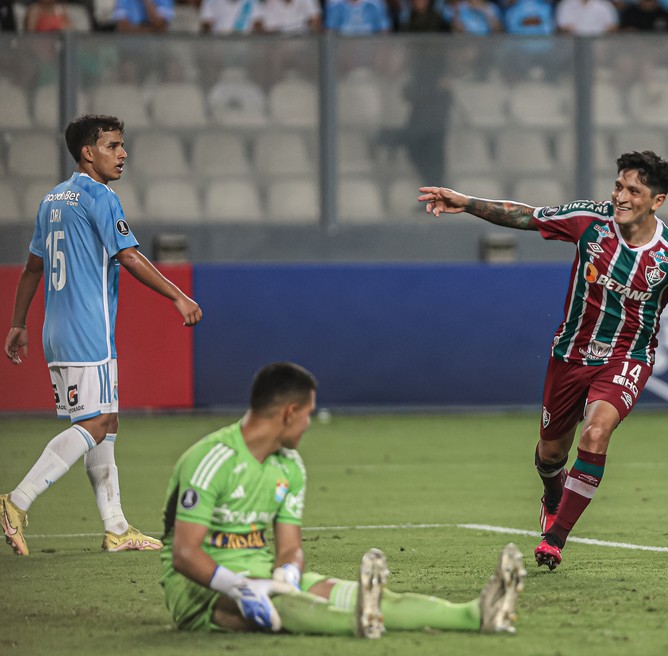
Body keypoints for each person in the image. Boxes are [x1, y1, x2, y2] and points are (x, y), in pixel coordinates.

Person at [418, 151, 668, 570]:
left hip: (626, 359)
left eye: (634, 190)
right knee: (550, 454)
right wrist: (467, 202)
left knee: (596, 435)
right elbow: (527, 216)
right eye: (618, 186)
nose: (620, 196)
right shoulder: (589, 221)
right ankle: (552, 492)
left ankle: (555, 538)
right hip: (569, 356)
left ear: (657, 201)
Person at [160, 361, 525, 636]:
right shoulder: (212, 459)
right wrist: (240, 587)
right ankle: (355, 621)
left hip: (263, 574)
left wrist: (286, 572)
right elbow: (185, 553)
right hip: (200, 589)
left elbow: (290, 548)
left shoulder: (290, 467)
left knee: (360, 595)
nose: (308, 424)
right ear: (289, 413)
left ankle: (475, 614)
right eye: (307, 415)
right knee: (284, 605)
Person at [2, 114, 202, 556]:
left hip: (61, 328)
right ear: (87, 153)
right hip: (85, 329)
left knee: (106, 424)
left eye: (122, 145)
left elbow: (34, 266)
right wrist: (178, 296)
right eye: (113, 145)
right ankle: (16, 501)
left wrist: (18, 323)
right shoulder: (100, 197)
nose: (123, 153)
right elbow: (128, 257)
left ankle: (116, 528)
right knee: (93, 423)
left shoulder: (52, 199)